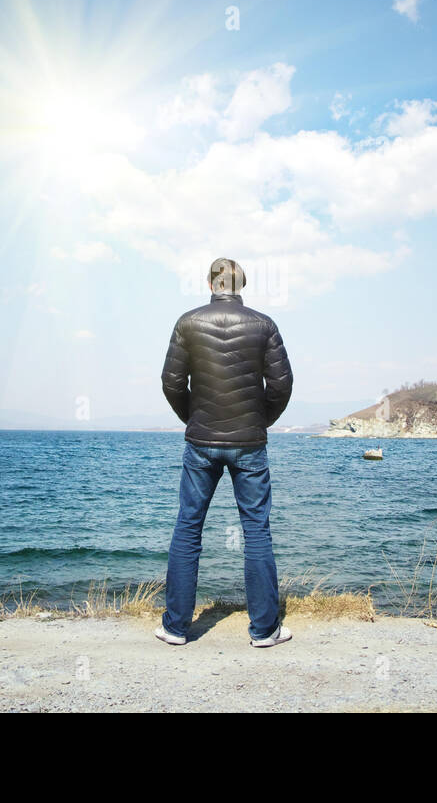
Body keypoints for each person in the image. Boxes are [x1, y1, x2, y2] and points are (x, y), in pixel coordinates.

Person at [156, 258, 294, 647]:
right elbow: (281, 385)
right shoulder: (264, 324)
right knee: (256, 532)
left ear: (211, 283)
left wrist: (194, 419)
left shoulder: (187, 322)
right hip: (250, 443)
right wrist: (259, 421)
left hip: (200, 442)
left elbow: (171, 382)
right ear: (240, 285)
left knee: (187, 529)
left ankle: (175, 628)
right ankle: (265, 631)